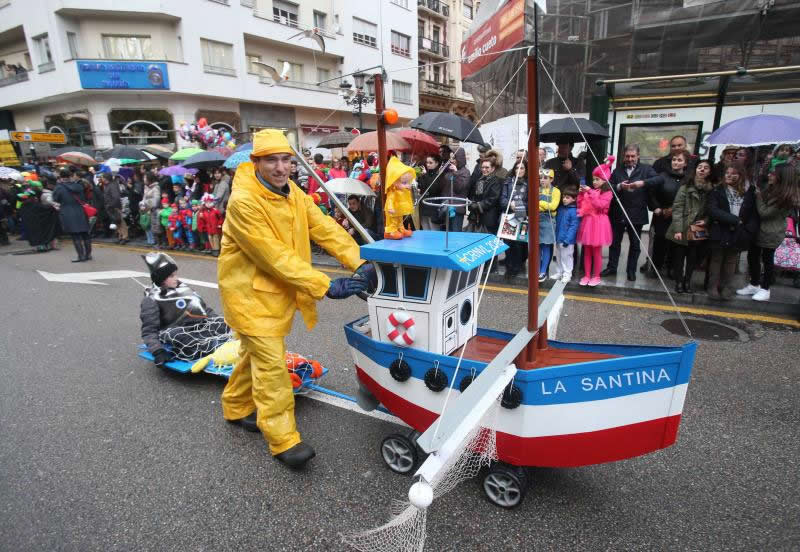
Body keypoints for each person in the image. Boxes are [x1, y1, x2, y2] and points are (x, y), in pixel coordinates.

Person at [217, 129, 374, 469]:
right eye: (271, 160)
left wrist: (361, 261)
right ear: (255, 162)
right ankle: (284, 440)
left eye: (285, 159)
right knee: (272, 369)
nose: (280, 167)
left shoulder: (293, 193)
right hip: (249, 298)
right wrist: (326, 285)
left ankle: (236, 405)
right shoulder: (244, 201)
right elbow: (273, 256)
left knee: (255, 357)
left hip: (274, 295)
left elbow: (324, 228)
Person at [140, 252, 230, 366]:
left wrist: (218, 322)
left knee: (226, 323)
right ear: (161, 278)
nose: (176, 279)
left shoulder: (183, 289)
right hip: (176, 331)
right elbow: (149, 331)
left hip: (198, 327)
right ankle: (214, 348)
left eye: (175, 274)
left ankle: (225, 344)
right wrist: (158, 351)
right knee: (178, 335)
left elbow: (204, 310)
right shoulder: (151, 300)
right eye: (171, 276)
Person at [736, 164, 797, 302]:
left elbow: (764, 213)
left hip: (771, 232)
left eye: (773, 174)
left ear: (782, 177)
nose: (770, 175)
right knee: (753, 256)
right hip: (758, 230)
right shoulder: (770, 189)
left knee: (767, 260)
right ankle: (754, 283)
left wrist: (758, 196)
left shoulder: (785, 197)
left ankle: (765, 288)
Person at [603, 145, 657, 281]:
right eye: (627, 156)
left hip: (637, 213)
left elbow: (658, 180)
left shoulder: (646, 169)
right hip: (618, 212)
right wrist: (620, 186)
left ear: (638, 156)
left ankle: (631, 270)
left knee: (635, 244)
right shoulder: (617, 170)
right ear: (624, 156)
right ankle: (612, 267)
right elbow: (608, 186)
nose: (630, 159)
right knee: (615, 243)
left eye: (633, 156)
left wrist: (642, 183)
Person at [633, 150, 691, 278]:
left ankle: (672, 269)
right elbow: (651, 191)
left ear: (686, 163)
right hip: (662, 216)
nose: (676, 162)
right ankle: (656, 268)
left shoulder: (688, 180)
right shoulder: (662, 176)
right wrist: (656, 207)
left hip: (679, 218)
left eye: (679, 160)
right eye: (674, 159)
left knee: (676, 245)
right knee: (660, 243)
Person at [707, 164, 757, 300]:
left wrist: (748, 230)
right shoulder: (717, 190)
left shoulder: (750, 192)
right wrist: (734, 220)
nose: (729, 175)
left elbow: (753, 214)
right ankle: (712, 287)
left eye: (734, 173)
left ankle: (726, 287)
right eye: (727, 173)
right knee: (716, 259)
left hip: (739, 232)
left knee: (731, 261)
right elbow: (712, 210)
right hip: (720, 229)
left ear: (741, 176)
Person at [667, 159, 713, 294]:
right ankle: (679, 282)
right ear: (695, 170)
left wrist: (706, 220)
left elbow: (712, 209)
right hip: (683, 226)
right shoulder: (685, 187)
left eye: (706, 167)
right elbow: (677, 208)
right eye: (700, 167)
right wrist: (678, 229)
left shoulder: (711, 190)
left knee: (693, 257)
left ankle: (687, 281)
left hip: (698, 228)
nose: (702, 169)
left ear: (710, 172)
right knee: (679, 257)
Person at [577, 157, 614, 286]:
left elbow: (599, 205)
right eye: (593, 179)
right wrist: (581, 195)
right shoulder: (592, 191)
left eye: (597, 179)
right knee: (586, 251)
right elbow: (581, 206)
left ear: (605, 180)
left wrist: (590, 192)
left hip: (599, 223)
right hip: (588, 222)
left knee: (596, 252)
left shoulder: (608, 193)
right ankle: (587, 275)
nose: (594, 182)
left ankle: (596, 276)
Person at [52, 168, 92, 262]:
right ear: (70, 176)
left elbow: (56, 199)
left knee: (76, 236)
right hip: (81, 211)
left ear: (61, 177)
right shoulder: (78, 186)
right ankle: (88, 255)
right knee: (85, 234)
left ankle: (81, 256)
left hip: (68, 213)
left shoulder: (59, 187)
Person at [499, 160, 529, 279]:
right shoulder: (508, 182)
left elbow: (530, 201)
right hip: (509, 215)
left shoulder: (529, 183)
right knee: (507, 241)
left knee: (519, 243)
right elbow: (502, 199)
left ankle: (517, 266)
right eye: (517, 168)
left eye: (522, 168)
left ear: (526, 170)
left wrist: (518, 205)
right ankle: (510, 265)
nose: (519, 170)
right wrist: (509, 204)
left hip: (522, 215)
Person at [468, 156, 502, 236]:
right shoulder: (480, 180)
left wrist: (478, 205)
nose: (484, 169)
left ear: (493, 168)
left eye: (487, 167)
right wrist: (472, 203)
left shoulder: (496, 181)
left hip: (489, 217)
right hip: (477, 216)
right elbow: (476, 196)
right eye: (482, 167)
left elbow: (493, 199)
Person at [384, 157, 416, 240]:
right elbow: (390, 200)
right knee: (393, 221)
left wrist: (406, 187)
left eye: (407, 182)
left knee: (400, 219)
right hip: (393, 209)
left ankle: (400, 229)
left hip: (399, 209)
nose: (406, 184)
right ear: (395, 181)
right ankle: (390, 231)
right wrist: (390, 208)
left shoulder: (401, 190)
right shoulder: (393, 191)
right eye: (404, 182)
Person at [537, 168, 560, 281]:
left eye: (545, 178)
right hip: (537, 219)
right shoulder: (537, 189)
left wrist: (540, 203)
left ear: (551, 179)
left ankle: (543, 271)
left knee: (546, 246)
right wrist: (546, 205)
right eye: (541, 178)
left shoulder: (556, 191)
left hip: (548, 220)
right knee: (537, 246)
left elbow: (553, 206)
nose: (542, 180)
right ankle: (536, 270)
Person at [553, 185, 579, 283]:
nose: (564, 199)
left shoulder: (574, 211)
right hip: (559, 238)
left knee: (567, 257)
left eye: (567, 197)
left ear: (574, 199)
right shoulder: (561, 209)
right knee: (559, 256)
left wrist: (568, 240)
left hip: (567, 240)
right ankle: (560, 272)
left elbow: (573, 227)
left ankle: (567, 274)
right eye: (563, 197)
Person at [418, 154, 444, 230]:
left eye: (430, 163)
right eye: (427, 163)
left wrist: (425, 175)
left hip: (433, 207)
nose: (428, 165)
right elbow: (422, 188)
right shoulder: (426, 174)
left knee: (434, 231)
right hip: (424, 206)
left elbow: (433, 189)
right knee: (425, 230)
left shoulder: (439, 174)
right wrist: (422, 176)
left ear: (436, 163)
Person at [102, 172, 128, 244]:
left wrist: (111, 205)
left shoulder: (112, 185)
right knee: (117, 222)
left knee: (121, 222)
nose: (102, 178)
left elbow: (116, 197)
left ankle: (125, 237)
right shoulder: (108, 185)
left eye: (103, 177)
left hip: (115, 207)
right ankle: (120, 236)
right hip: (111, 207)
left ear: (106, 178)